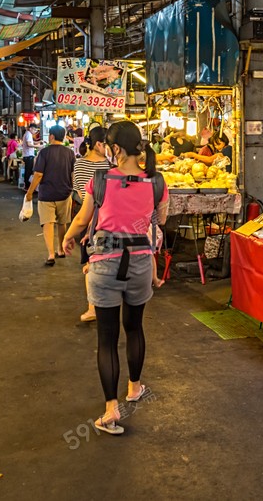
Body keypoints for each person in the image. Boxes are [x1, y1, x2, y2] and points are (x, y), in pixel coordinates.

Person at [62, 121, 168, 435]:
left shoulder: (100, 179)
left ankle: (111, 410)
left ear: (115, 149)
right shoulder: (157, 182)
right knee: (134, 328)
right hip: (139, 265)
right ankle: (134, 387)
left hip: (105, 264)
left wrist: (68, 238)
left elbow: (83, 218)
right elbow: (160, 220)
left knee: (106, 340)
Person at [72, 127, 112, 323]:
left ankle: (99, 305)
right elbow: (80, 193)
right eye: (108, 144)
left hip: (107, 218)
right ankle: (92, 307)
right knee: (91, 261)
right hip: (90, 216)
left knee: (102, 259)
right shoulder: (80, 164)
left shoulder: (109, 163)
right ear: (99, 144)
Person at [24, 125, 75, 266]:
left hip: (47, 194)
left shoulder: (44, 153)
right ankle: (61, 250)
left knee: (48, 222)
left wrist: (29, 192)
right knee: (62, 222)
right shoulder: (69, 153)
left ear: (51, 136)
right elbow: (72, 174)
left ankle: (51, 254)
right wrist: (71, 189)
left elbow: (38, 174)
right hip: (64, 193)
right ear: (63, 137)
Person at [22, 124, 38, 188]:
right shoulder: (28, 134)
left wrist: (38, 142)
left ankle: (27, 185)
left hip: (27, 155)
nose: (35, 131)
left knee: (28, 171)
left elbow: (31, 142)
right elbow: (29, 144)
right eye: (34, 129)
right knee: (28, 171)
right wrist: (38, 146)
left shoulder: (27, 134)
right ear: (31, 128)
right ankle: (27, 186)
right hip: (28, 156)